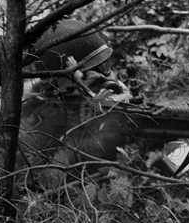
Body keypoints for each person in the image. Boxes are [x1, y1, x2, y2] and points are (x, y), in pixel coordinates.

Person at [17, 19, 132, 187]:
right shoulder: (38, 103)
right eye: (87, 70)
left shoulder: (93, 81)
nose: (99, 73)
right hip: (46, 162)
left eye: (98, 67)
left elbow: (118, 91)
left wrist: (118, 97)